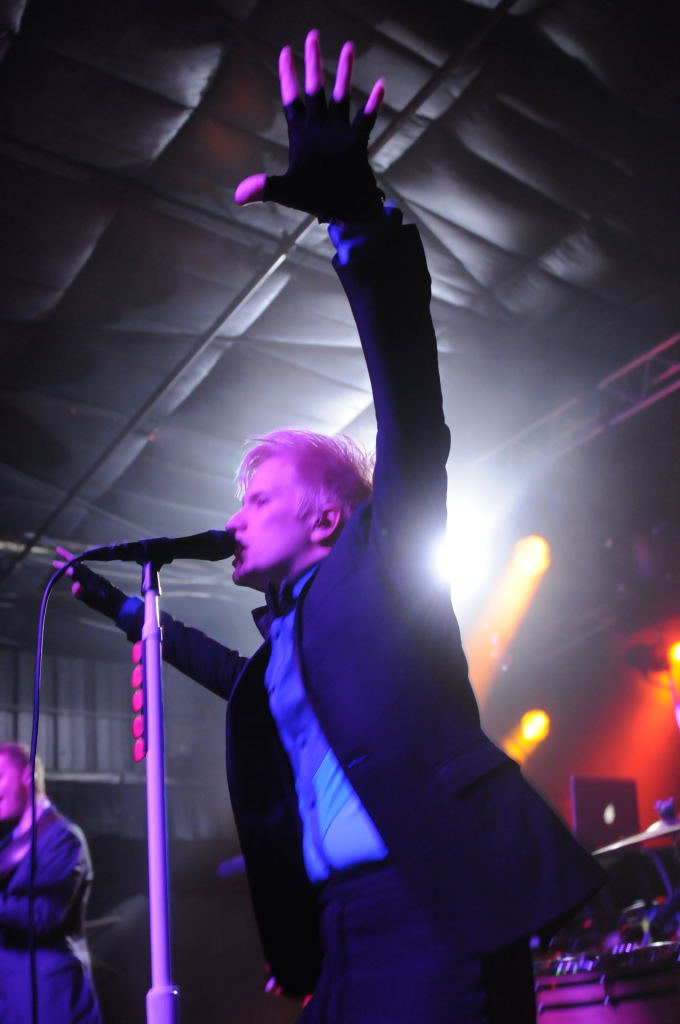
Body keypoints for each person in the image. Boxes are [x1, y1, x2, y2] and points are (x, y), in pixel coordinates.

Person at [56, 30, 604, 1023]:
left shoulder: (383, 559)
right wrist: (109, 598)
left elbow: (412, 409)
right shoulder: (289, 642)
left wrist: (357, 221)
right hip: (341, 927)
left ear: (325, 514)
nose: (234, 518)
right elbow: (220, 669)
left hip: (431, 908)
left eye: (256, 499)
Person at [0, 742, 102, 1024]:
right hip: (12, 1002)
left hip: (52, 1000)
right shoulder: (8, 846)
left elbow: (44, 914)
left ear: (28, 775)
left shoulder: (63, 838)